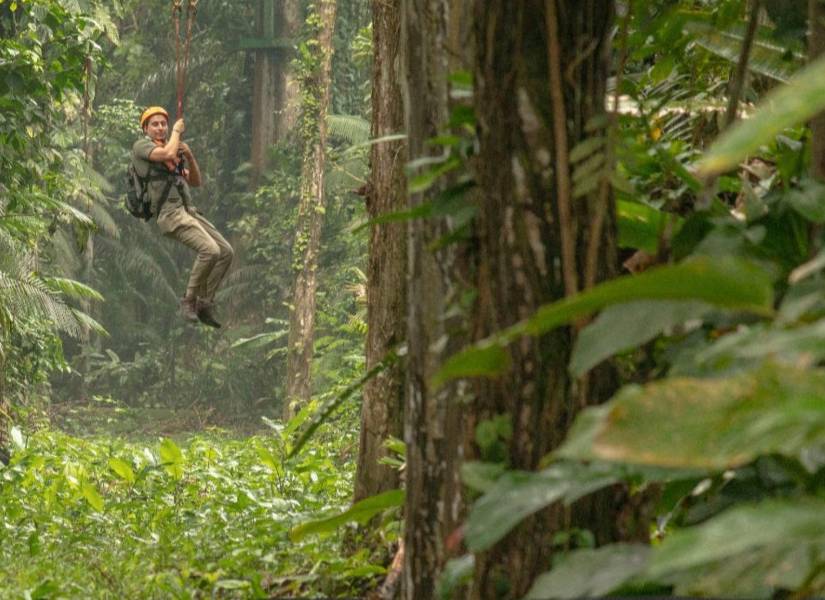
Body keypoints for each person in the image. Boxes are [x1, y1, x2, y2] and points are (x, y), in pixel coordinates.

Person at [132, 106, 234, 328]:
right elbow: (167, 154)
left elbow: (195, 181)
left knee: (226, 251)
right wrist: (177, 132)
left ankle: (204, 303)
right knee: (210, 250)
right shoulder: (142, 147)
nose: (161, 128)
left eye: (163, 124)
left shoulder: (173, 152)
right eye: (155, 124)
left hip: (188, 212)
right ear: (146, 129)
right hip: (170, 214)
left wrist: (189, 155)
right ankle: (189, 300)